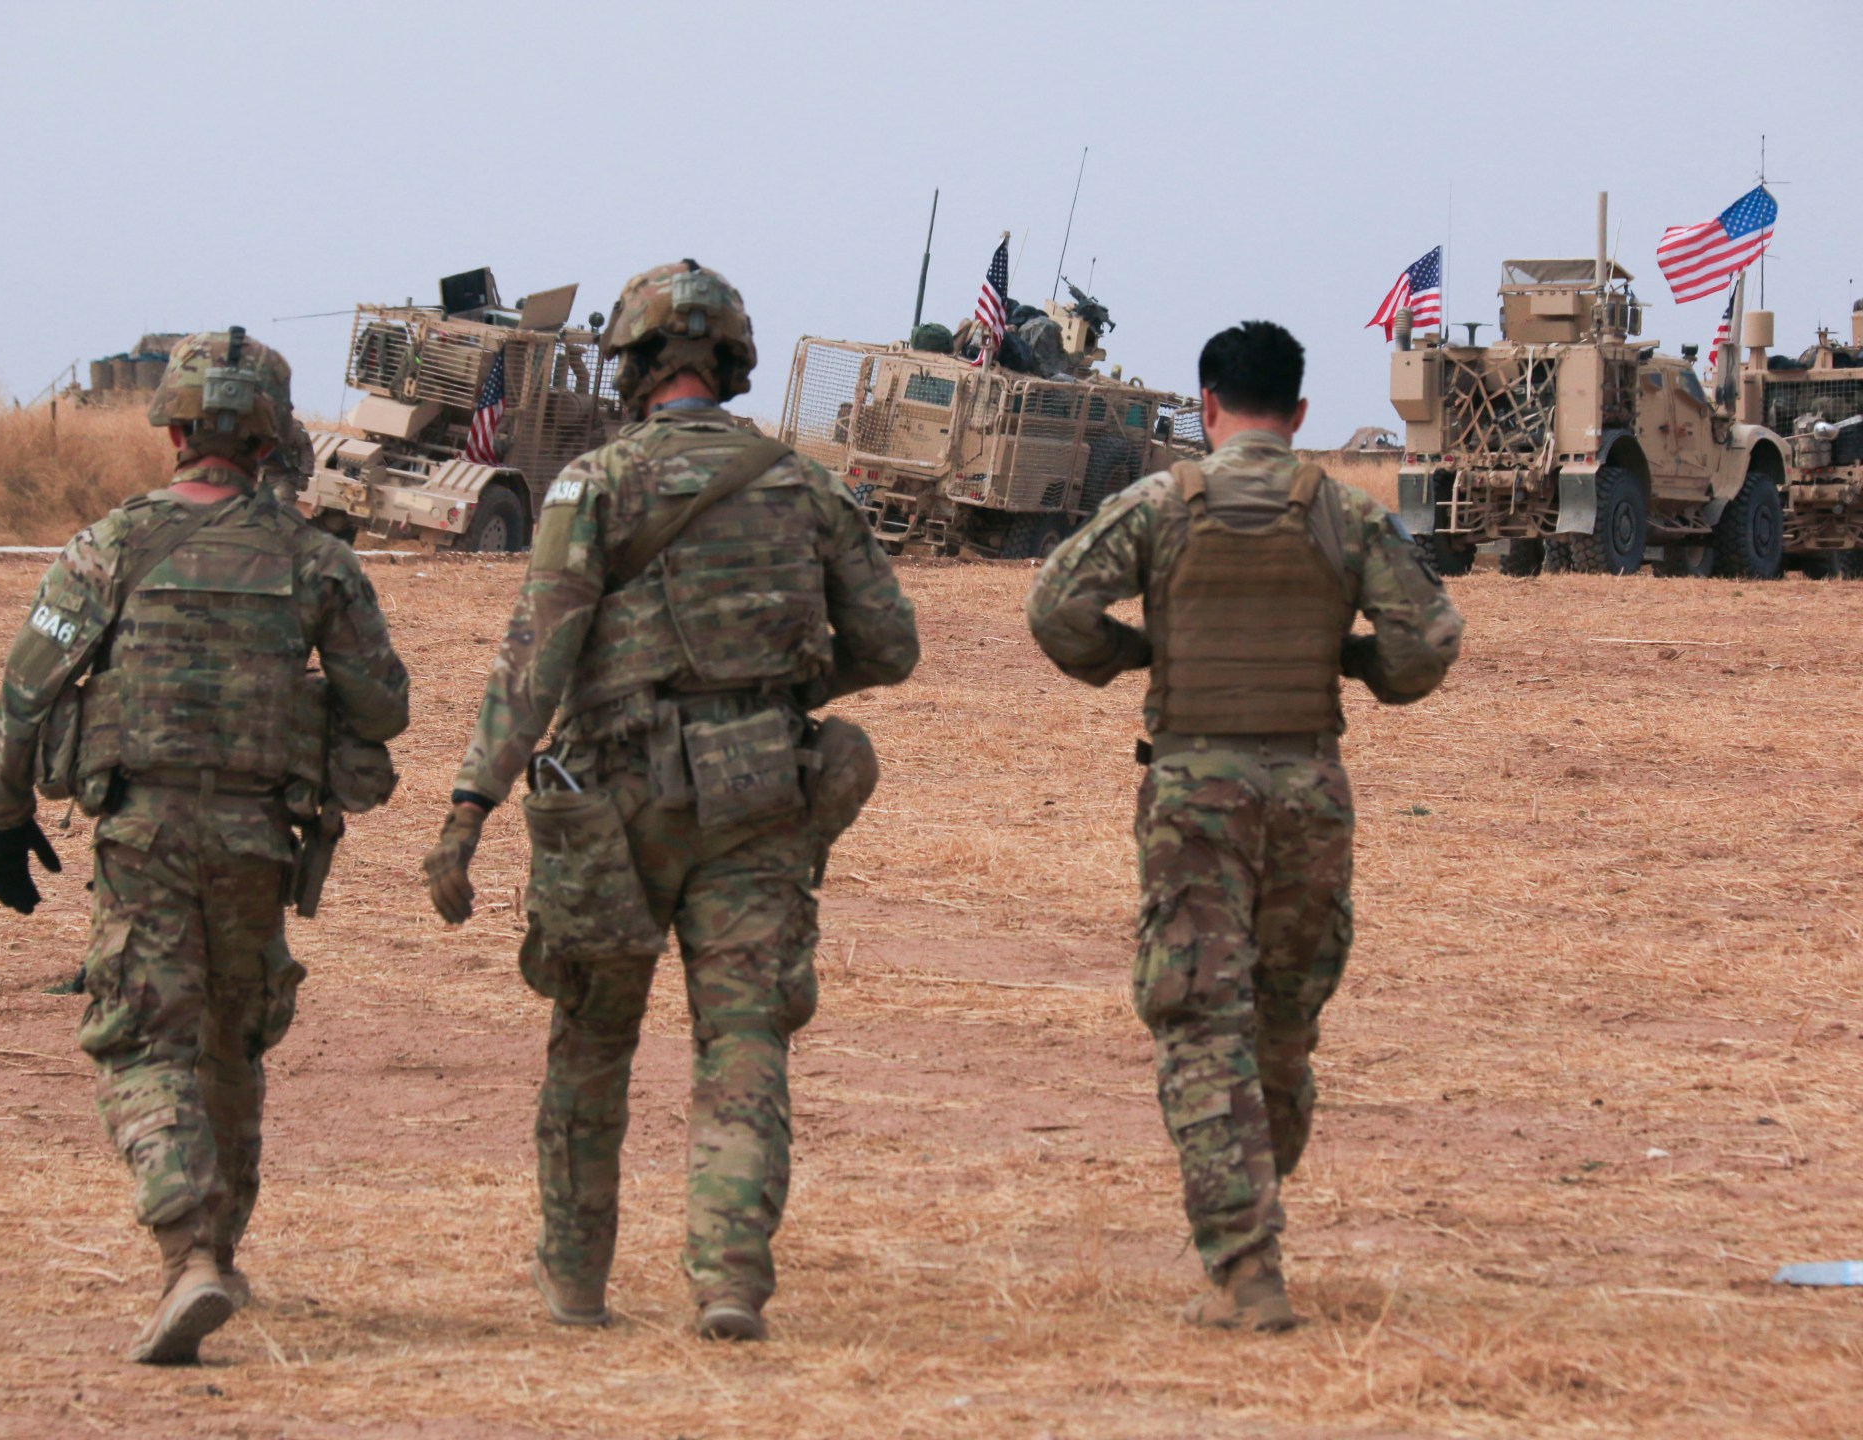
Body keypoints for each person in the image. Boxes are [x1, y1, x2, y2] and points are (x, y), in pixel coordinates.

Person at [424, 260, 918, 1342]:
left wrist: (469, 808)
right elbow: (891, 644)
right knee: (744, 1041)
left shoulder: (595, 486)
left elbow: (537, 661)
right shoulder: (805, 486)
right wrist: (778, 689)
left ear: (635, 365)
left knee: (593, 1039)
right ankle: (730, 1280)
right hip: (761, 796)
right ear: (731, 364)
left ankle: (575, 1284)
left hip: (616, 803)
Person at [0, 329, 410, 1364]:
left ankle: (186, 1255)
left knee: (140, 1041)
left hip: (143, 836)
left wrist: (4, 818)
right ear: (270, 440)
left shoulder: (108, 547)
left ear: (174, 431)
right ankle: (220, 1250)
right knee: (230, 1040)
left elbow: (24, 696)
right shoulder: (317, 560)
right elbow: (383, 707)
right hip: (259, 841)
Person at [1025, 320, 1462, 1331]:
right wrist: (1356, 665)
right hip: (1309, 789)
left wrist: (1137, 654)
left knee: (1199, 1018)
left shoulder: (1161, 504)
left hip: (1195, 792)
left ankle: (1245, 1264)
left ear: (1208, 406)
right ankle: (1254, 1225)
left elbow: (1055, 609)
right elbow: (1429, 639)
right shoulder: (1345, 513)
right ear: (1299, 413)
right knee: (1282, 1022)